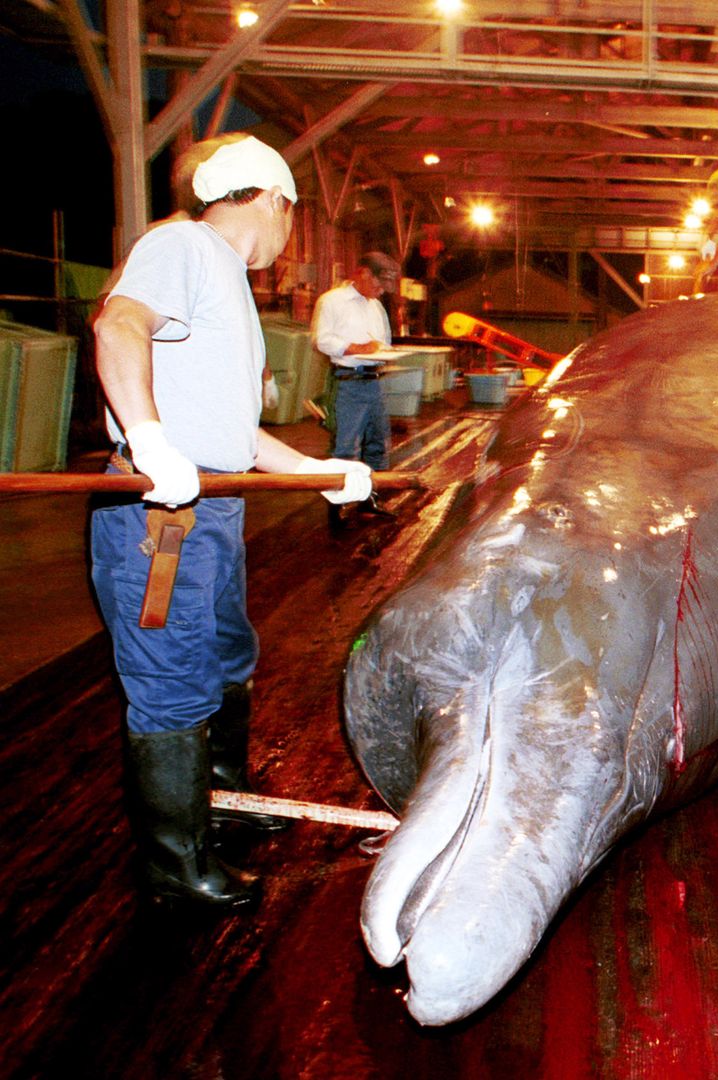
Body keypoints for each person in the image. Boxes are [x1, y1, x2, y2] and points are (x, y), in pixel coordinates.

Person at [91, 134, 374, 909]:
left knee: (223, 656)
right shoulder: (183, 243)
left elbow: (237, 435)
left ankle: (221, 805)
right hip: (161, 522)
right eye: (293, 216)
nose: (289, 237)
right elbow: (117, 327)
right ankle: (174, 867)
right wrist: (149, 439)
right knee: (172, 682)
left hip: (211, 508)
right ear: (275, 200)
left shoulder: (227, 284)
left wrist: (322, 470)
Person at [311, 251, 401, 523]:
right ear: (363, 273)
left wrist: (384, 354)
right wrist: (357, 348)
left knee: (377, 444)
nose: (380, 291)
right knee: (345, 447)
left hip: (373, 383)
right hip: (348, 382)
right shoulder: (332, 301)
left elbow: (383, 342)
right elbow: (322, 340)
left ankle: (370, 499)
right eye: (378, 284)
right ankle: (336, 508)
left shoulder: (376, 307)